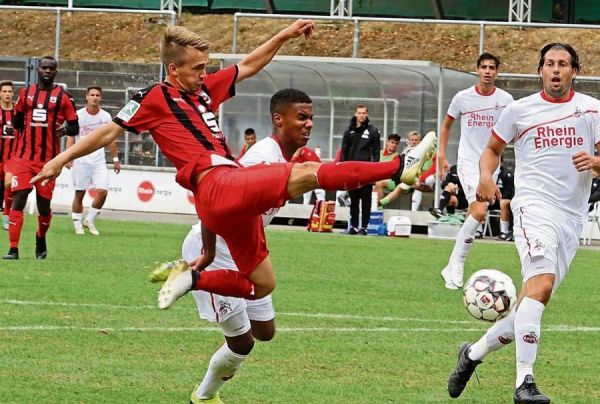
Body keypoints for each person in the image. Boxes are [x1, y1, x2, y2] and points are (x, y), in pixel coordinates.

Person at [32, 23, 431, 319]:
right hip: (217, 183)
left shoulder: (203, 91)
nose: (204, 75)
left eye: (206, 68)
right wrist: (58, 161)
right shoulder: (155, 97)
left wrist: (285, 35)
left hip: (223, 199)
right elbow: (107, 131)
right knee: (307, 171)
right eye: (197, 69)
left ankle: (194, 279)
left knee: (263, 286)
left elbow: (248, 66)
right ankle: (399, 167)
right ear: (174, 70)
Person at [150, 89, 322, 404]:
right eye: (301, 117)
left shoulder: (286, 158)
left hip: (244, 252)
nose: (309, 124)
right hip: (217, 247)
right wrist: (209, 252)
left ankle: (185, 271)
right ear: (278, 119)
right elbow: (219, 199)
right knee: (243, 342)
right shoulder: (262, 158)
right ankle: (203, 397)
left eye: (311, 117)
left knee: (265, 331)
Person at [447, 42, 600, 404]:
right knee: (542, 283)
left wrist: (595, 161)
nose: (556, 70)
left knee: (529, 305)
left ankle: (471, 354)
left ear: (574, 71)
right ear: (541, 71)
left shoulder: (592, 110)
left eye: (563, 64)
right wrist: (485, 176)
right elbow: (491, 150)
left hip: (570, 218)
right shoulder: (519, 110)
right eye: (549, 64)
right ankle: (524, 380)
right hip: (532, 208)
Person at [438, 52, 514, 289]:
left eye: (492, 67)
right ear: (478, 70)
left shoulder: (506, 100)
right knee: (480, 211)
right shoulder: (463, 98)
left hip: (492, 165)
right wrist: (441, 154)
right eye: (484, 67)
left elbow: (514, 130)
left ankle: (451, 265)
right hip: (469, 162)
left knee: (477, 212)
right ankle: (457, 262)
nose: (488, 71)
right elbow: (447, 125)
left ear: (497, 72)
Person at [3, 57, 78, 260]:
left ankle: (41, 237)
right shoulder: (26, 94)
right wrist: (16, 128)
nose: (47, 71)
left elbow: (74, 126)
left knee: (44, 205)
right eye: (44, 67)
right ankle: (13, 249)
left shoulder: (63, 97)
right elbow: (17, 121)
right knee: (19, 198)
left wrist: (64, 129)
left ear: (56, 72)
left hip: (48, 162)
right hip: (25, 158)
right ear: (38, 69)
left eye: (51, 68)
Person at [66, 85, 120, 236]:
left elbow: (110, 139)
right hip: (81, 160)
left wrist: (115, 159)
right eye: (92, 95)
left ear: (100, 97)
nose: (95, 97)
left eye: (97, 95)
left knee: (103, 191)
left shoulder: (106, 117)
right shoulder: (78, 115)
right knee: (80, 193)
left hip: (99, 160)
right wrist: (68, 157)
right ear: (87, 97)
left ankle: (89, 220)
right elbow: (71, 136)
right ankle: (77, 224)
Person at [340, 104, 381, 235]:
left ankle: (364, 227)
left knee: (366, 200)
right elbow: (344, 151)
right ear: (355, 114)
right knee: (353, 200)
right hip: (351, 171)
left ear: (367, 114)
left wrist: (375, 172)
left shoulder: (373, 131)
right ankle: (353, 227)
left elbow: (376, 153)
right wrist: (342, 168)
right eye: (359, 113)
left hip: (366, 171)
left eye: (364, 113)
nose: (362, 115)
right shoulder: (349, 131)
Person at [0, 80, 16, 231]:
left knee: (9, 184)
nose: (7, 94)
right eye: (4, 91)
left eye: (10, 91)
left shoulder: (18, 111)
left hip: (11, 157)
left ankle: (6, 217)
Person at [495, 163, 514, 241]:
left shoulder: (506, 173)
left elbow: (510, 189)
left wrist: (502, 197)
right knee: (478, 201)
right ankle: (478, 231)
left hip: (504, 198)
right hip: (491, 199)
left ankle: (504, 231)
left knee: (503, 203)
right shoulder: (487, 172)